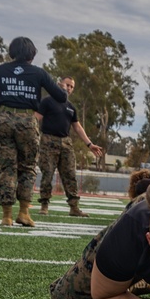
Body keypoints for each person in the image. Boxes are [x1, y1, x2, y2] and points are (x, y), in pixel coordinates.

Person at [0, 36, 69, 227]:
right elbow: (61, 97)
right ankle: (24, 213)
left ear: (12, 52)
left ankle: (6, 216)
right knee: (27, 168)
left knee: (7, 168)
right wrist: (60, 86)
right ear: (32, 54)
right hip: (27, 121)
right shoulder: (39, 73)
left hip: (3, 120)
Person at [35, 76, 104, 217]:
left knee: (70, 175)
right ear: (60, 84)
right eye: (67, 85)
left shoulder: (71, 107)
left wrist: (89, 144)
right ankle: (44, 205)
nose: (69, 88)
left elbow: (77, 127)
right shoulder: (47, 101)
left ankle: (74, 207)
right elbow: (36, 119)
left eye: (72, 86)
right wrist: (33, 137)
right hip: (48, 141)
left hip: (66, 143)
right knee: (47, 174)